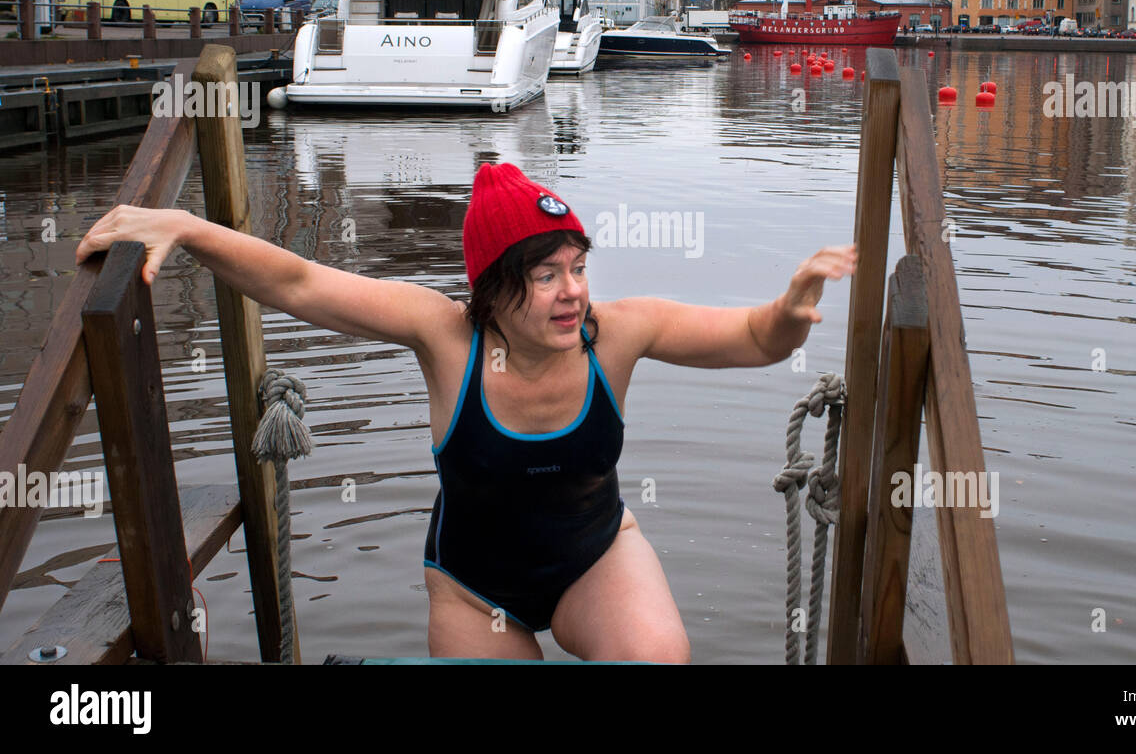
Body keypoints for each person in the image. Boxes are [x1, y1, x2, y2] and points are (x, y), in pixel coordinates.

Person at [74, 162, 857, 663]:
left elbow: (757, 336)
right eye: (545, 274)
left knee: (658, 657)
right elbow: (303, 282)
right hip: (474, 588)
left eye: (578, 267)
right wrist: (183, 225)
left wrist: (790, 306)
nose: (573, 290)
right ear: (490, 292)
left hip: (594, 561)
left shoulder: (617, 333)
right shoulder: (445, 338)